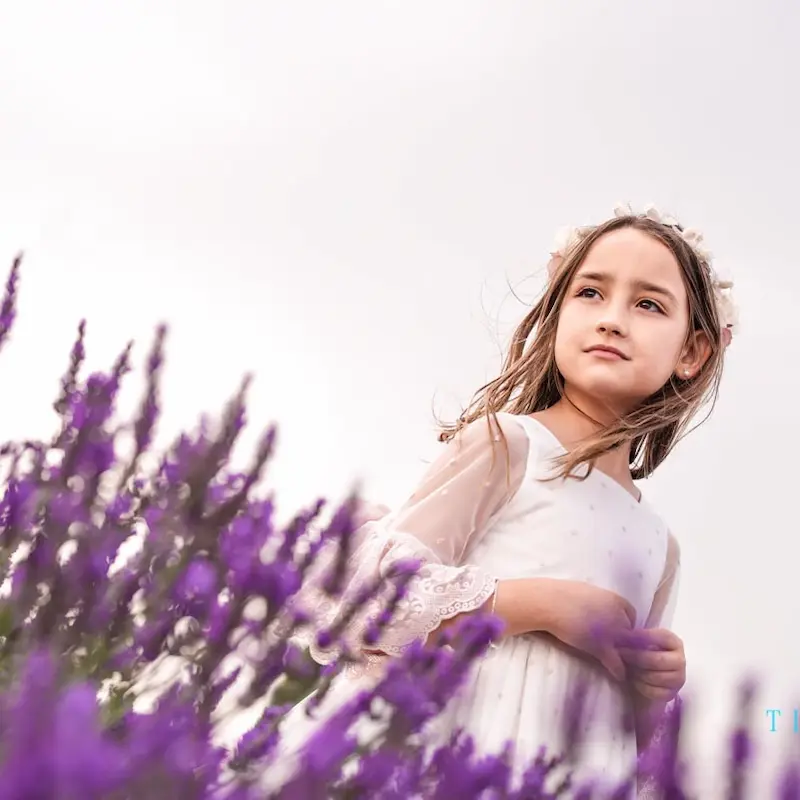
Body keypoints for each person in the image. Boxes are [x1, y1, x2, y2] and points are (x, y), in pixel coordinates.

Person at [265, 203, 737, 795]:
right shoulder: (508, 445)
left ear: (692, 353)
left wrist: (652, 693)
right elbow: (369, 600)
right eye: (590, 293)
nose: (613, 319)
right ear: (555, 314)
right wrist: (541, 603)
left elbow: (633, 746)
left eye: (648, 304)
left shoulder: (658, 544)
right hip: (445, 753)